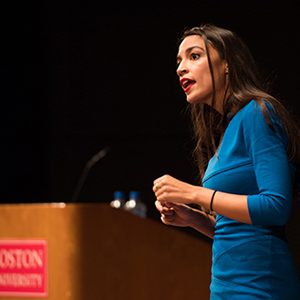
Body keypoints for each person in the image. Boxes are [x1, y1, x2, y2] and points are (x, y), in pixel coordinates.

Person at [153, 23, 300, 299]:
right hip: (224, 287)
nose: (180, 68)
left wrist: (195, 193)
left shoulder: (258, 112)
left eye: (194, 56)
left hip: (261, 287)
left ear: (227, 64)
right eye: (179, 61)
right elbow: (235, 229)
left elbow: (276, 207)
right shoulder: (226, 130)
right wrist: (193, 218)